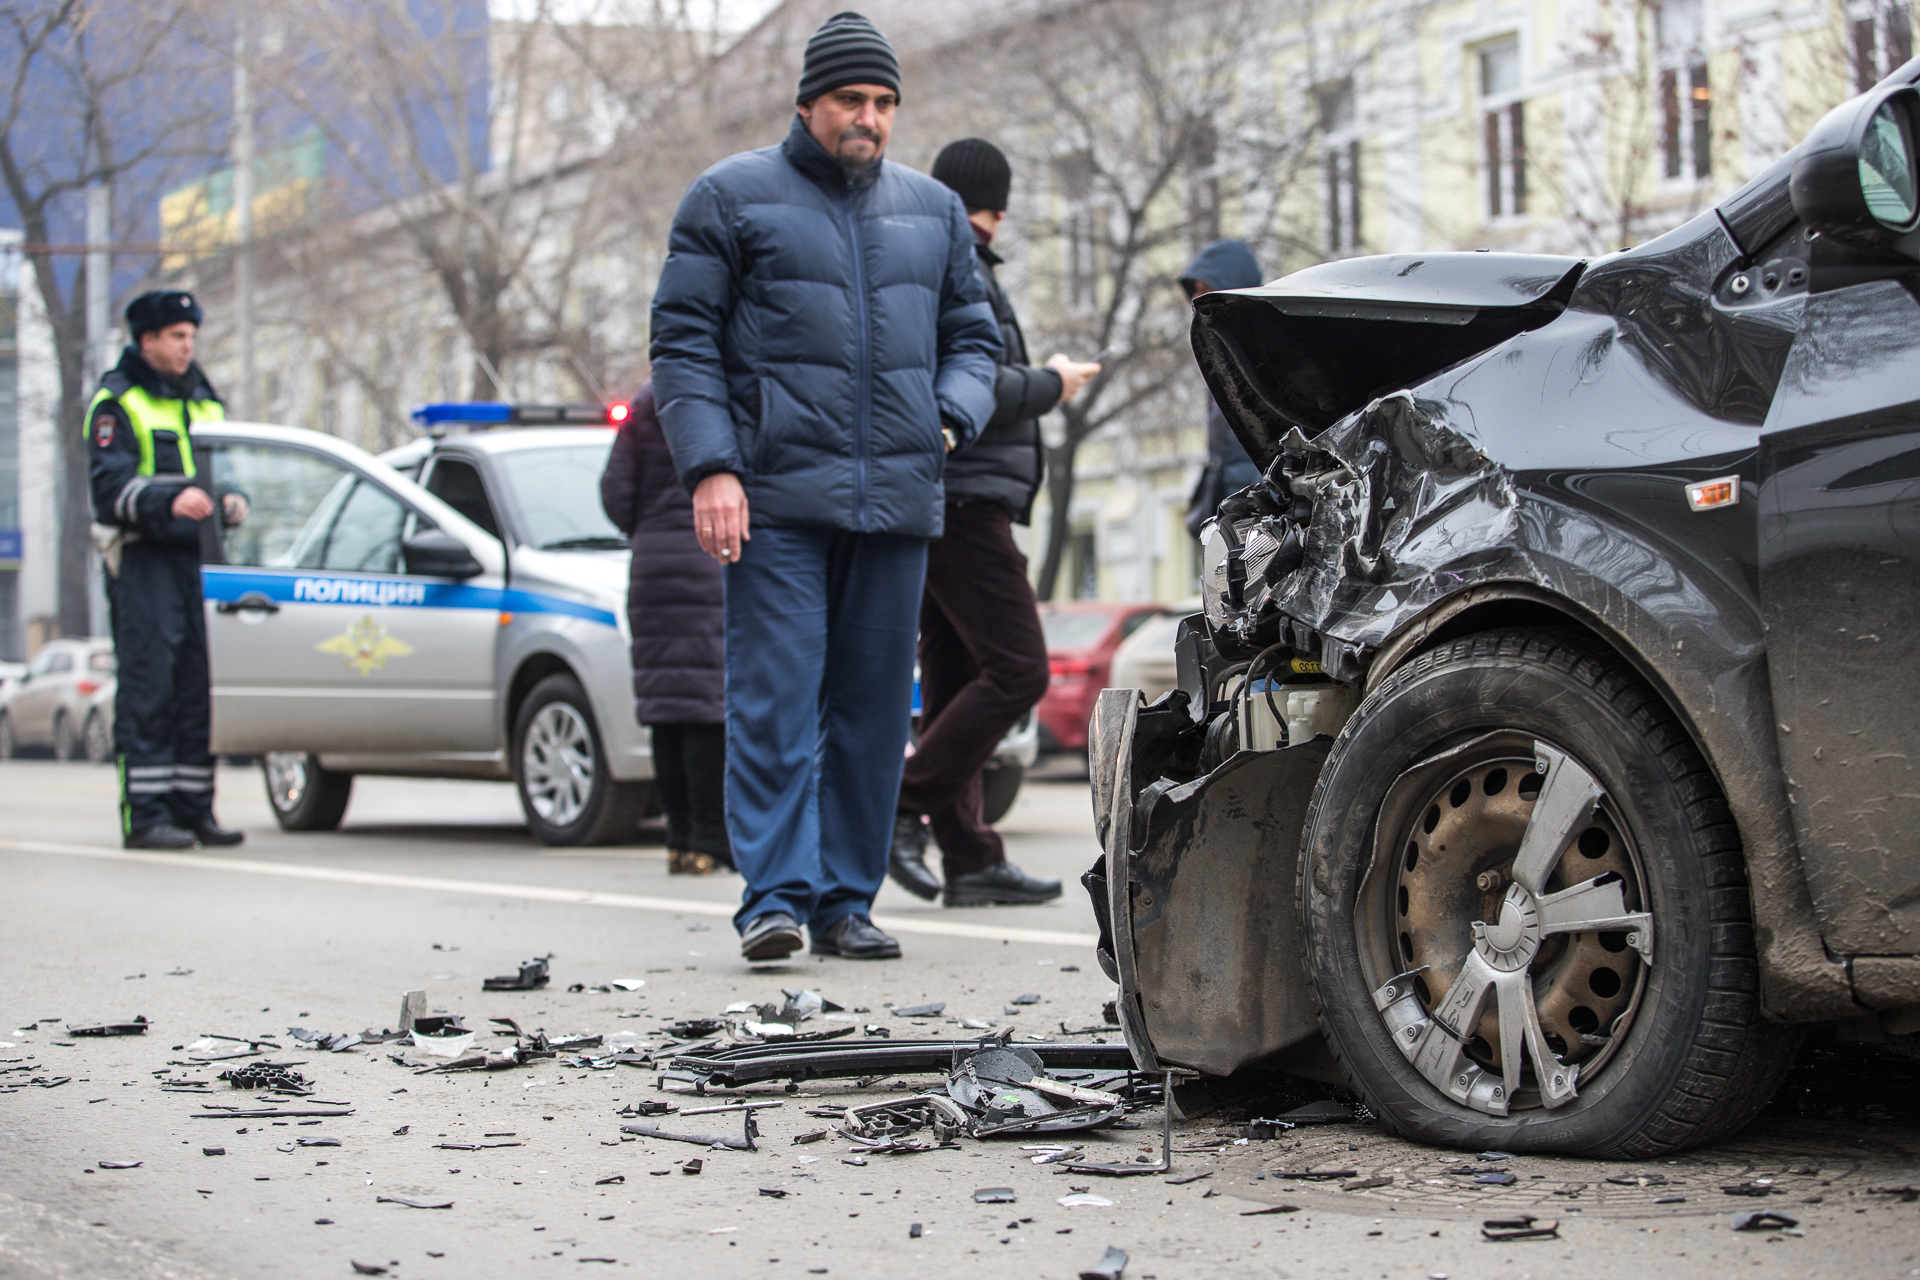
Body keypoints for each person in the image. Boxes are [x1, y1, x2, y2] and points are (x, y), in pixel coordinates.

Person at [650, 11, 1001, 963]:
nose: (871, 118)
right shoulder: (728, 197)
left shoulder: (931, 212)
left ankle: (847, 901)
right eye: (853, 99)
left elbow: (976, 339)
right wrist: (713, 467)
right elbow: (681, 348)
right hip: (776, 498)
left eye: (886, 103)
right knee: (776, 697)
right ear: (808, 104)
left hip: (895, 499)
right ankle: (774, 894)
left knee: (875, 706)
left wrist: (949, 415)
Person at [888, 137, 1099, 907]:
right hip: (963, 498)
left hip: (951, 495)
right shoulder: (957, 264)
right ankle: (900, 803)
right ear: (999, 208)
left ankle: (971, 859)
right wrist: (1053, 382)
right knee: (1020, 670)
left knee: (951, 687)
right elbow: (969, 380)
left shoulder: (941, 258)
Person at [88, 289, 247, 850]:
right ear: (147, 339)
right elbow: (109, 489)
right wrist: (169, 501)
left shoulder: (203, 395)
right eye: (177, 336)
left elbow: (228, 467)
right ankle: (147, 816)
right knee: (149, 687)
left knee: (197, 689)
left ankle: (194, 809)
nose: (187, 347)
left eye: (191, 337)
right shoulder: (117, 401)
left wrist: (233, 500)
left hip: (198, 559)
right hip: (144, 559)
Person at [600, 384, 734, 876]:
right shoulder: (718, 395)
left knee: (665, 709)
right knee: (705, 708)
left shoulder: (643, 407)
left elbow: (614, 492)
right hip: (709, 558)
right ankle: (709, 838)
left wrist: (649, 530)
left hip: (653, 567)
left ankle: (679, 839)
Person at [1180, 239, 1265, 538]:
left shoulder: (1259, 348)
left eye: (1204, 290)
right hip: (1231, 496)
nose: (1195, 299)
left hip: (1255, 502)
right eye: (1194, 291)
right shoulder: (1218, 350)